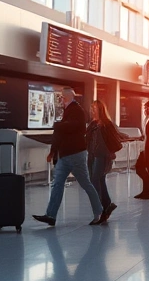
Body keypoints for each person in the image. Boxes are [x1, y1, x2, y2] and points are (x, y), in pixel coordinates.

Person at [33, 87, 104, 226]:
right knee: (58, 184)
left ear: (67, 97)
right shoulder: (69, 111)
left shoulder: (77, 110)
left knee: (85, 184)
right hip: (65, 155)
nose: (61, 99)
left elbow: (74, 127)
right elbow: (61, 133)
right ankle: (51, 215)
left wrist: (58, 125)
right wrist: (53, 151)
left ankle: (99, 211)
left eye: (62, 97)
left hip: (76, 155)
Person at [85, 100, 121, 223]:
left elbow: (113, 138)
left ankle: (100, 209)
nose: (92, 110)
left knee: (95, 179)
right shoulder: (93, 124)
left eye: (94, 108)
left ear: (100, 110)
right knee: (99, 179)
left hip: (102, 155)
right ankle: (107, 205)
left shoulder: (105, 124)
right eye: (91, 108)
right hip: (93, 155)